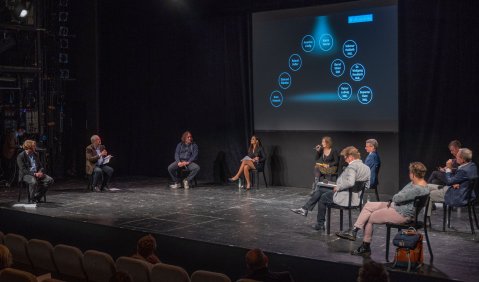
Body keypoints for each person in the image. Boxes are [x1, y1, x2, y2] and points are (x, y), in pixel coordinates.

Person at [336, 162, 430, 256]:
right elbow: (400, 196)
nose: (409, 174)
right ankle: (354, 230)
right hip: (398, 206)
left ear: (413, 174)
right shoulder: (420, 184)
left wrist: (396, 198)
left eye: (410, 173)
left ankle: (365, 247)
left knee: (369, 217)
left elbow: (397, 197)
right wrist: (396, 198)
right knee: (368, 206)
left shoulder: (417, 189)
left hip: (402, 214)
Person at [292, 146, 370, 231]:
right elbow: (367, 185)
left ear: (351, 157)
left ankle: (320, 224)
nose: (345, 159)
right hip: (357, 198)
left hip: (346, 198)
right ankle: (305, 209)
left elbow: (350, 183)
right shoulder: (366, 168)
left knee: (323, 197)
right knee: (321, 190)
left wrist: (339, 187)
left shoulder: (351, 167)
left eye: (345, 157)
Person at [427, 148, 477, 215]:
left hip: (457, 195)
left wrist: (448, 168)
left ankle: (426, 221)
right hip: (463, 193)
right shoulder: (472, 166)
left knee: (429, 194)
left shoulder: (463, 170)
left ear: (462, 159)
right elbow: (459, 179)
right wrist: (456, 182)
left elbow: (449, 181)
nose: (456, 157)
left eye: (458, 156)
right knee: (426, 187)